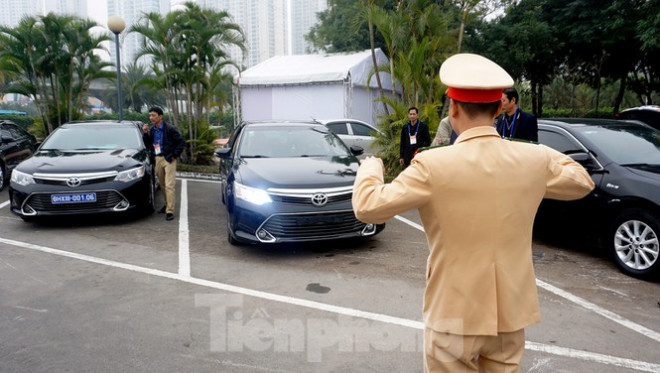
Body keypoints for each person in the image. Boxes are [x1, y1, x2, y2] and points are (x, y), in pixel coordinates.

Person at [352, 53, 595, 372]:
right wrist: (532, 153)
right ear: (498, 108)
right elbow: (582, 181)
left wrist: (370, 167)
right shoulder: (532, 160)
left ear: (452, 108)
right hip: (509, 316)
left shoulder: (432, 164)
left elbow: (368, 206)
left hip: (454, 314)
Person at [142, 107, 185, 221]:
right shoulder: (151, 129)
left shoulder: (170, 128)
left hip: (169, 158)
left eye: (153, 115)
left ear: (160, 116)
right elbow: (148, 145)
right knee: (162, 185)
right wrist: (145, 133)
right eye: (150, 115)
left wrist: (174, 155)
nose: (151, 117)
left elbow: (181, 142)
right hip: (157, 159)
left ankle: (170, 211)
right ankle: (167, 204)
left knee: (169, 185)